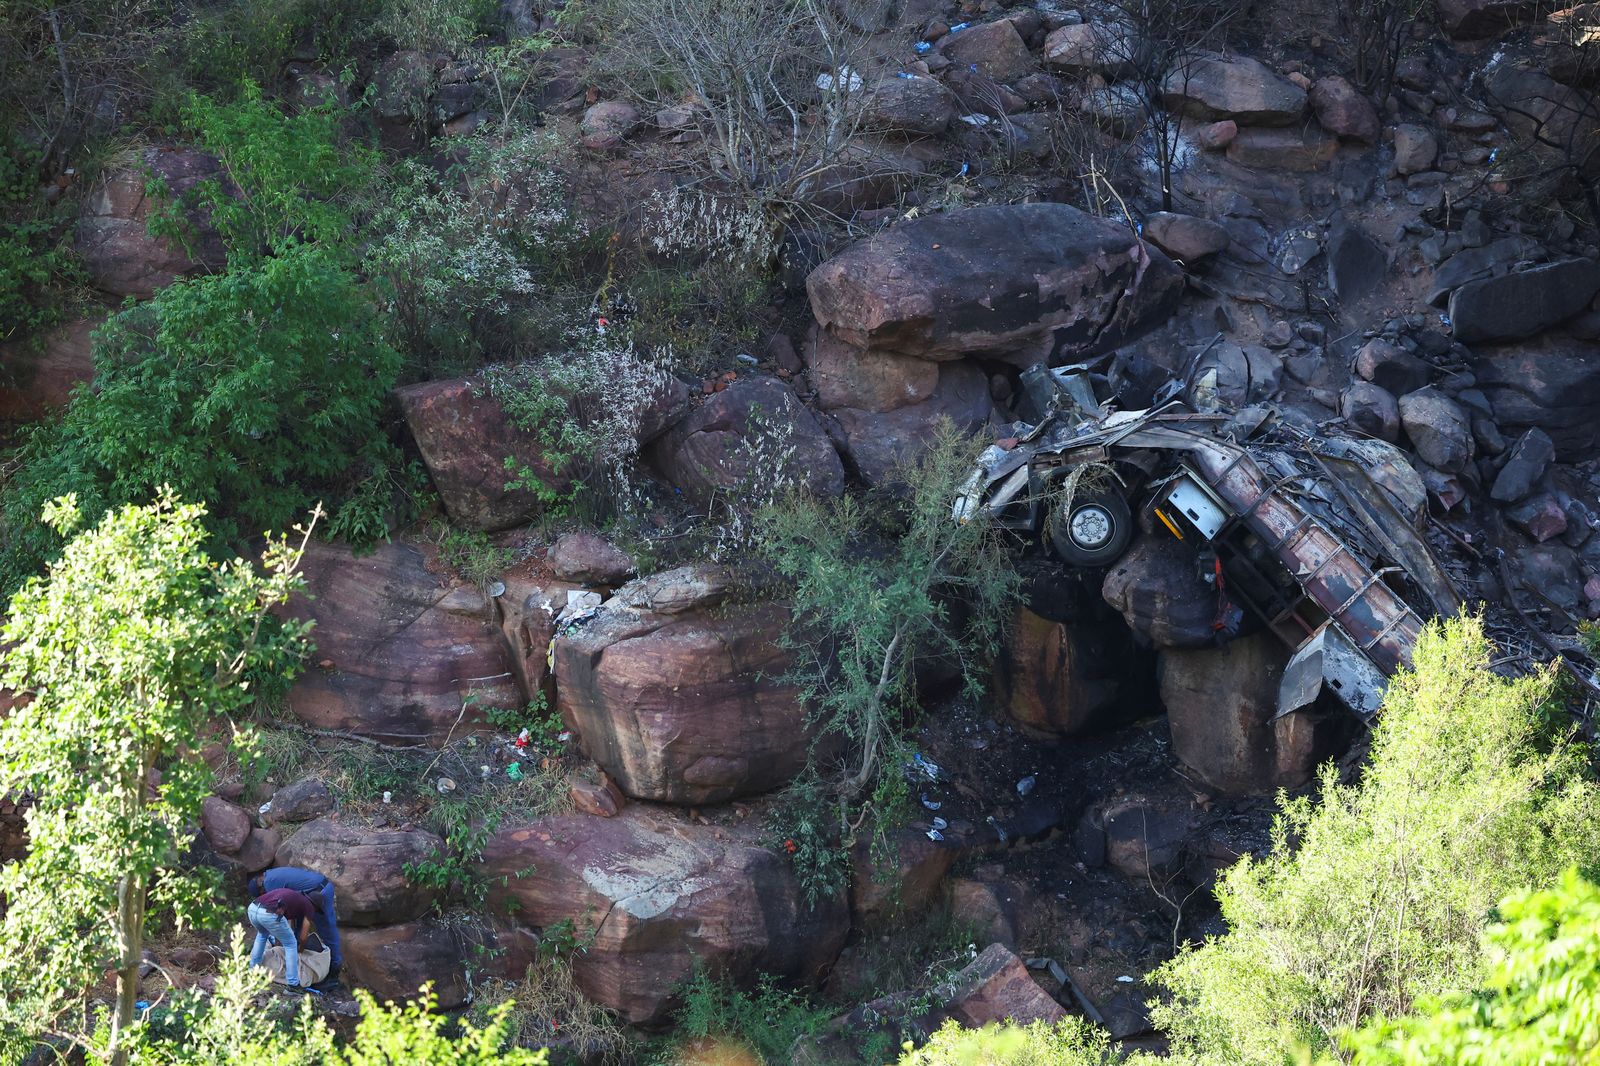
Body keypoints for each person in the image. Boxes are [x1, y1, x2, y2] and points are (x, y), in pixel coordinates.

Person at [248, 866, 342, 978]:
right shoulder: (270, 874)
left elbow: (280, 916)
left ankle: (334, 968)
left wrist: (298, 947)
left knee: (326, 930)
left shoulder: (270, 884)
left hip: (319, 891)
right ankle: (296, 965)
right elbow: (289, 908)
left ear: (261, 891)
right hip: (312, 890)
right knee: (293, 936)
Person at [247, 886, 322, 988]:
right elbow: (304, 936)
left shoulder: (295, 897)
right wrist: (300, 949)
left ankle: (252, 971)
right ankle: (293, 984)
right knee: (291, 944)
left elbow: (285, 922)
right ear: (315, 906)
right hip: (269, 912)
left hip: (253, 908)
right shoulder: (309, 906)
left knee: (262, 935)